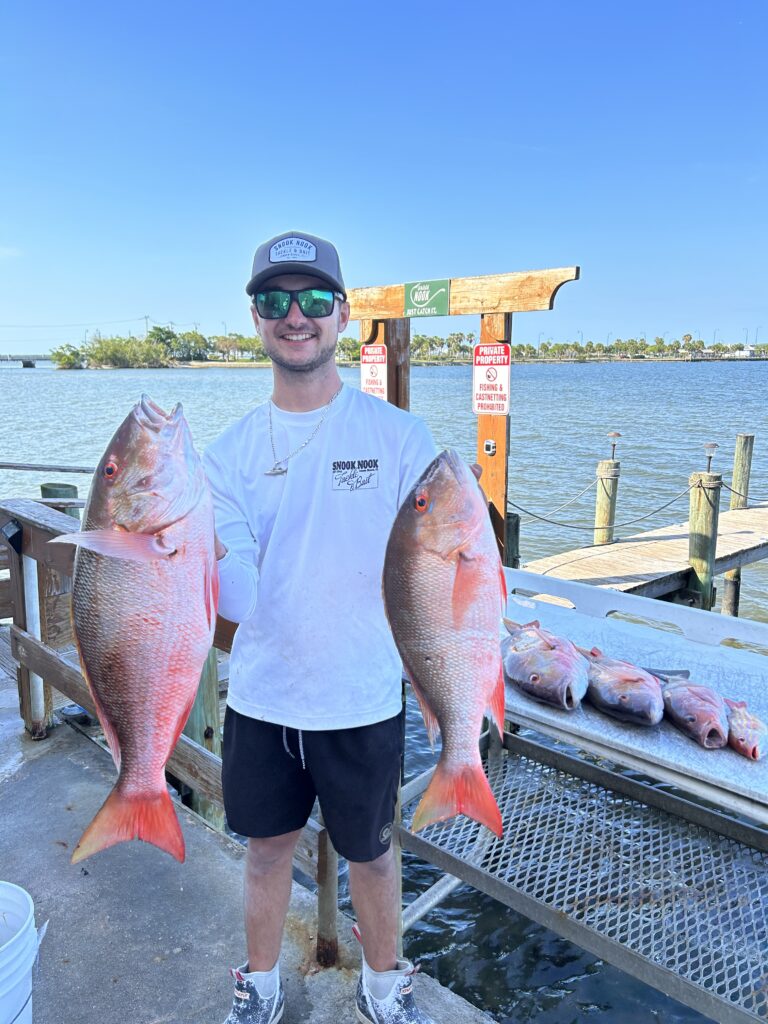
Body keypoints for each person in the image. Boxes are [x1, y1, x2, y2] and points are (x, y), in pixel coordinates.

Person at [203, 231, 438, 1024]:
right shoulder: (225, 454)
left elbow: (446, 575)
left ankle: (383, 987)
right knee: (266, 853)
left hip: (363, 694)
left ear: (342, 314)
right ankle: (259, 988)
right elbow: (232, 593)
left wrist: (443, 676)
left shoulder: (401, 439)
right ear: (256, 318)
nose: (293, 316)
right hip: (263, 697)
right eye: (274, 300)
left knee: (373, 855)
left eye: (311, 300)